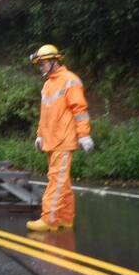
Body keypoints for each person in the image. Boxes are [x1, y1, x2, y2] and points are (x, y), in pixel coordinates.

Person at [27, 44, 93, 232]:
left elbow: (80, 111)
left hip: (64, 140)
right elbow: (45, 114)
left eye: (43, 63)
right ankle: (64, 217)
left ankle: (49, 219)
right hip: (50, 140)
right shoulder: (48, 84)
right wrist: (40, 136)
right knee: (62, 181)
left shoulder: (70, 80)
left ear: (54, 61)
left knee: (56, 180)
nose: (40, 67)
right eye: (39, 64)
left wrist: (84, 135)